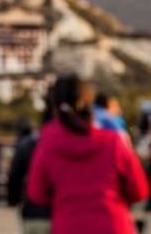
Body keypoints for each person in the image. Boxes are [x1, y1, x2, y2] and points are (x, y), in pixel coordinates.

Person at [27, 75, 149, 234]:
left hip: (69, 226)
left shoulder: (46, 145)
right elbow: (139, 190)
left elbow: (37, 195)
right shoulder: (113, 141)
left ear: (54, 105)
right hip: (114, 225)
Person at [6, 119, 51, 234]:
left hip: (32, 211)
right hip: (57, 211)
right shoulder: (54, 141)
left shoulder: (24, 146)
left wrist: (13, 200)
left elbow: (14, 176)